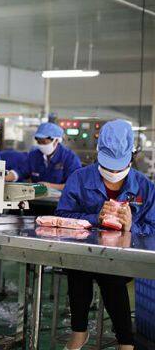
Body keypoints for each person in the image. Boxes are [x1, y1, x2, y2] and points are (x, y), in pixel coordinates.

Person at [56, 120, 155, 350]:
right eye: (108, 166)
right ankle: (79, 332)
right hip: (84, 253)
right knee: (78, 268)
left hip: (123, 259)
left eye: (118, 167)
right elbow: (62, 215)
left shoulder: (145, 187)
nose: (113, 173)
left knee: (111, 274)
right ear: (98, 152)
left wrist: (131, 227)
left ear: (131, 157)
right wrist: (94, 218)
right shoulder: (79, 179)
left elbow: (153, 226)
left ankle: (125, 342)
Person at [27, 122, 81, 190]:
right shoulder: (33, 155)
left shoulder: (70, 158)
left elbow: (75, 184)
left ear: (56, 141)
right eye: (39, 142)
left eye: (44, 142)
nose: (41, 145)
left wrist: (50, 186)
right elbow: (23, 172)